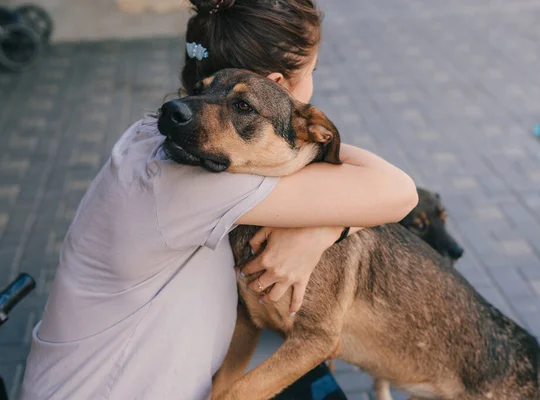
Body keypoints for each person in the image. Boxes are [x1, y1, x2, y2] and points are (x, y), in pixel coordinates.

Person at [20, 0, 418, 398]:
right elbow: (397, 192)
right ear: (278, 86)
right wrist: (329, 222)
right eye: (312, 71)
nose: (312, 84)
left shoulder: (164, 136)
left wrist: (322, 231)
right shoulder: (203, 179)